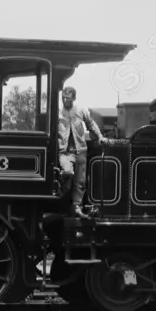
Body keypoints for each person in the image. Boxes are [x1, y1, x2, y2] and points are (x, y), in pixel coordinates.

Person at [58, 86, 108, 216]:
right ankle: (62, 201)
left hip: (80, 150)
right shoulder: (58, 111)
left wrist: (100, 136)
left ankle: (76, 207)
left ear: (74, 98)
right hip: (65, 151)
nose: (64, 100)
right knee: (67, 172)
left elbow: (91, 124)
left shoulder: (81, 110)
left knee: (80, 182)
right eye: (63, 97)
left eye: (67, 98)